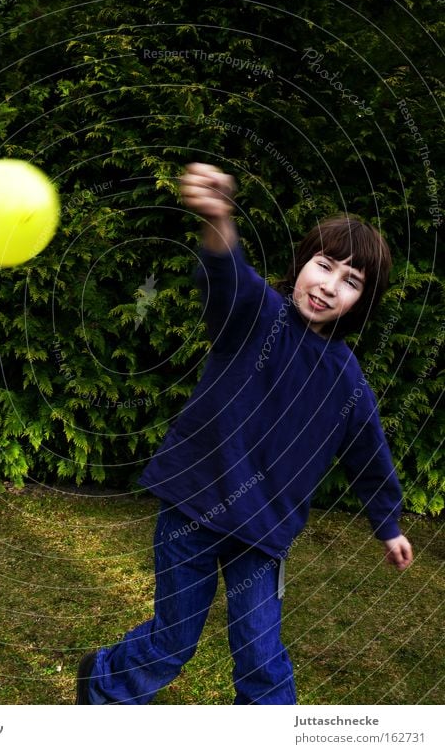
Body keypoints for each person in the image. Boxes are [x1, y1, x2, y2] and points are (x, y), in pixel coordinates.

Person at [76, 161, 413, 705]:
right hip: (194, 508)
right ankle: (106, 683)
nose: (328, 286)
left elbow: (368, 456)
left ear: (361, 303)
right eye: (324, 266)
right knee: (172, 641)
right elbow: (227, 272)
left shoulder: (347, 380)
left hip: (263, 534)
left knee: (260, 653)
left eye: (350, 282)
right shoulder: (258, 314)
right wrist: (218, 217)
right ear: (302, 263)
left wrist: (388, 525)